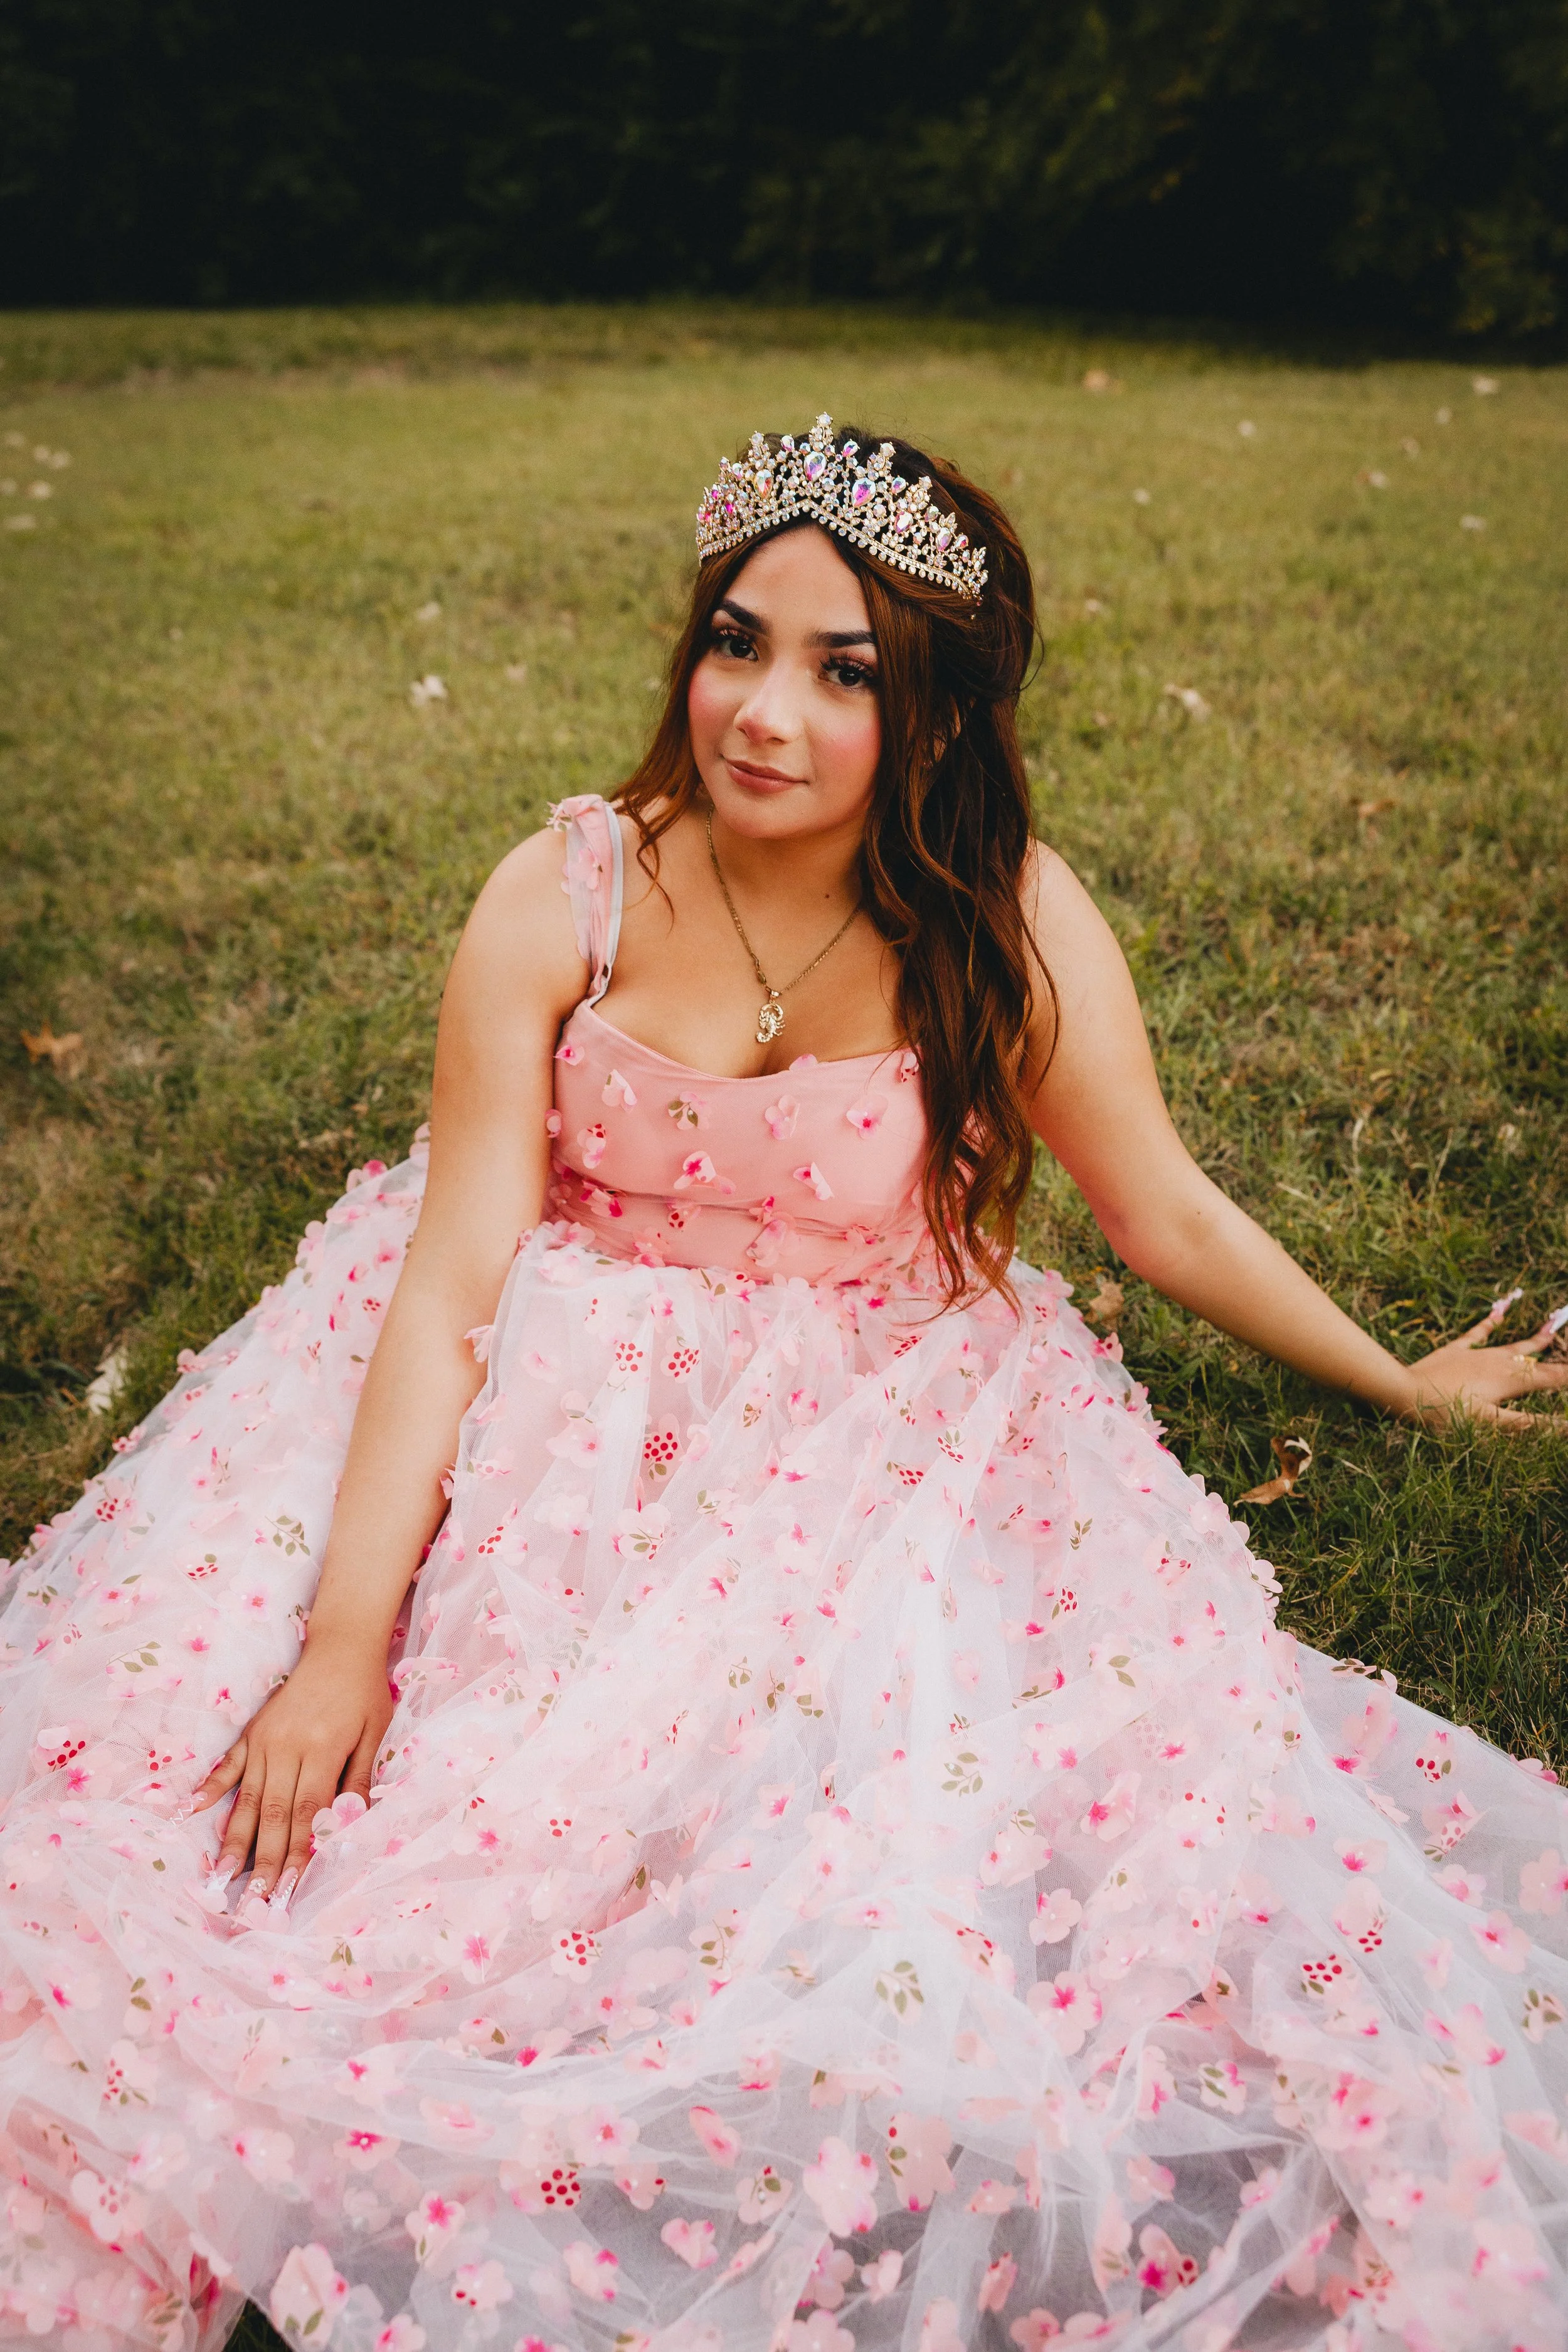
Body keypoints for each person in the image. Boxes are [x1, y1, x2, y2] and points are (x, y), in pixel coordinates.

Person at [1, 413, 1564, 2352]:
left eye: (846, 673)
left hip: (856, 1430)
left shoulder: (997, 916)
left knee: (848, 1888)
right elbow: (455, 1275)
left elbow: (1156, 1207)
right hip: (528, 1389)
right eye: (737, 641)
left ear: (936, 715)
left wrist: (1395, 1384)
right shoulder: (563, 887)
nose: (764, 711)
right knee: (162, 1810)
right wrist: (345, 1636)